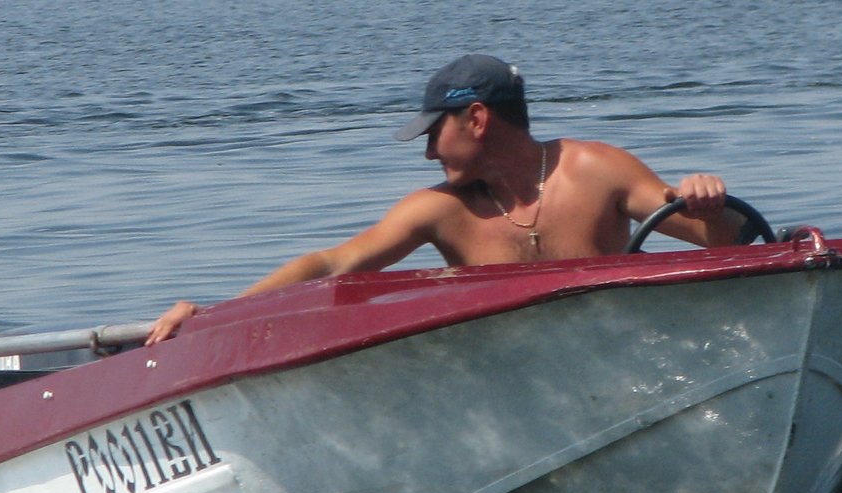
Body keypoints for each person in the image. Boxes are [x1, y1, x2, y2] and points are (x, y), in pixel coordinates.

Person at [145, 54, 744, 345]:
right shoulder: (438, 210)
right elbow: (331, 266)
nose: (429, 152)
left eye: (434, 133)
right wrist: (216, 315)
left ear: (476, 119)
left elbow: (724, 246)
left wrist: (709, 200)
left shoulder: (597, 169)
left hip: (617, 357)